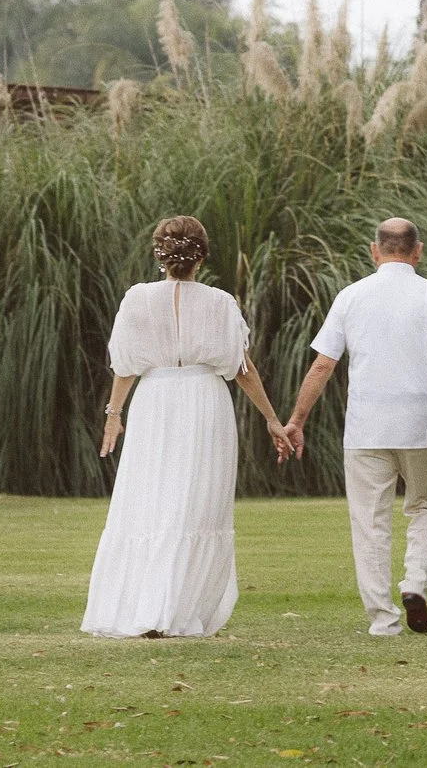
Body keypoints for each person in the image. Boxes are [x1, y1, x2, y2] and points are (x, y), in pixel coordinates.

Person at [82, 216, 292, 637]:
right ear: (203, 255)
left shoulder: (137, 299)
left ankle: (149, 607)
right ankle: (174, 608)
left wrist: (114, 414)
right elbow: (242, 369)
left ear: (159, 253)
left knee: (152, 501)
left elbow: (126, 365)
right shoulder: (220, 302)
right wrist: (271, 418)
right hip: (202, 402)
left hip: (155, 402)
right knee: (194, 503)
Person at [283, 217, 427, 636]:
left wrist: (296, 420)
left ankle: (383, 619)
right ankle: (415, 583)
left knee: (370, 521)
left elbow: (323, 364)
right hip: (421, 423)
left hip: (366, 427)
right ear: (418, 251)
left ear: (375, 250)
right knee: (426, 506)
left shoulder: (351, 297)